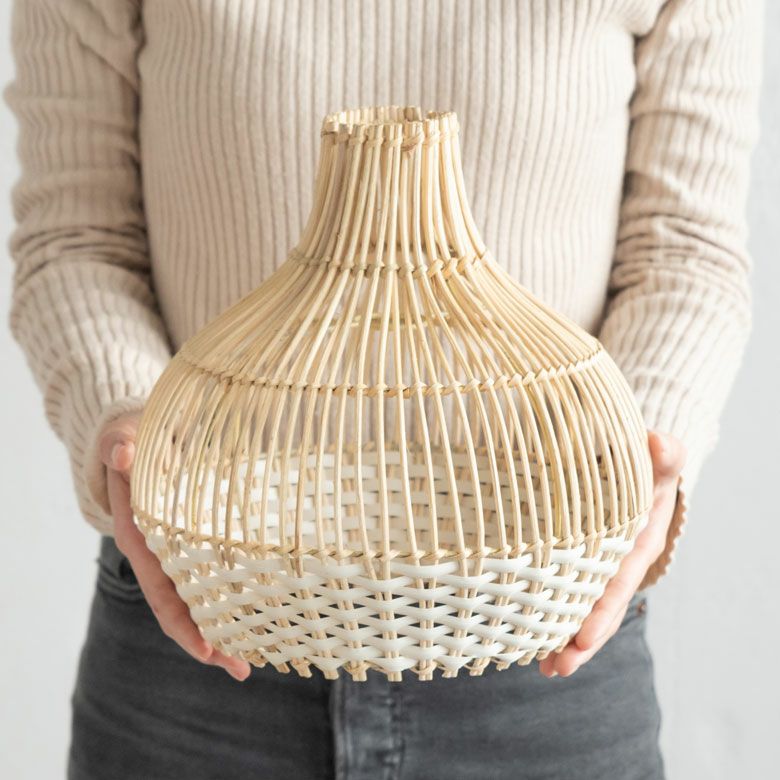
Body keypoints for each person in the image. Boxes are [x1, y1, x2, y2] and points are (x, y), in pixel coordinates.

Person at [4, 1, 763, 778]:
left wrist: (635, 451)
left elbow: (686, 250)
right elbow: (77, 237)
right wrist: (133, 426)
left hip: (545, 616)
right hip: (203, 602)